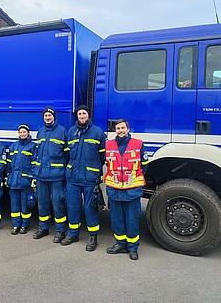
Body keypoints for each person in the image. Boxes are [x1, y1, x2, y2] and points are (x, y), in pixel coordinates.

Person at [61, 105, 105, 251]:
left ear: (88, 115)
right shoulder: (71, 132)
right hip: (73, 176)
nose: (81, 116)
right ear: (77, 116)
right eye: (79, 114)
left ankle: (93, 236)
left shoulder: (98, 132)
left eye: (84, 114)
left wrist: (96, 172)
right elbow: (67, 153)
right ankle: (73, 234)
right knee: (72, 206)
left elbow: (102, 156)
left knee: (90, 207)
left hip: (90, 177)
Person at [104, 119, 149, 260]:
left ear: (128, 129)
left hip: (132, 190)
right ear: (115, 130)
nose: (120, 130)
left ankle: (133, 248)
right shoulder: (108, 145)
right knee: (116, 219)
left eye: (123, 128)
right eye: (118, 128)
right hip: (115, 189)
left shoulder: (138, 144)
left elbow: (145, 165)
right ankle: (120, 244)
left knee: (131, 220)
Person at [33, 107, 68, 243]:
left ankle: (60, 230)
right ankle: (43, 228)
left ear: (54, 117)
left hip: (56, 174)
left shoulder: (62, 131)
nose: (47, 117)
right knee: (42, 203)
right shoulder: (41, 132)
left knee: (57, 203)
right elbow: (38, 153)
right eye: (45, 115)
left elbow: (67, 154)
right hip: (42, 174)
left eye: (50, 115)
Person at [6, 124, 37, 234]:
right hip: (14, 180)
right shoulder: (14, 146)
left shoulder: (33, 146)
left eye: (24, 132)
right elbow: (9, 163)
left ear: (28, 133)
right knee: (14, 205)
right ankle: (15, 225)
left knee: (25, 205)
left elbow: (34, 164)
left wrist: (33, 179)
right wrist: (8, 176)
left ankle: (24, 225)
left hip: (25, 181)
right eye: (21, 132)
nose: (22, 134)